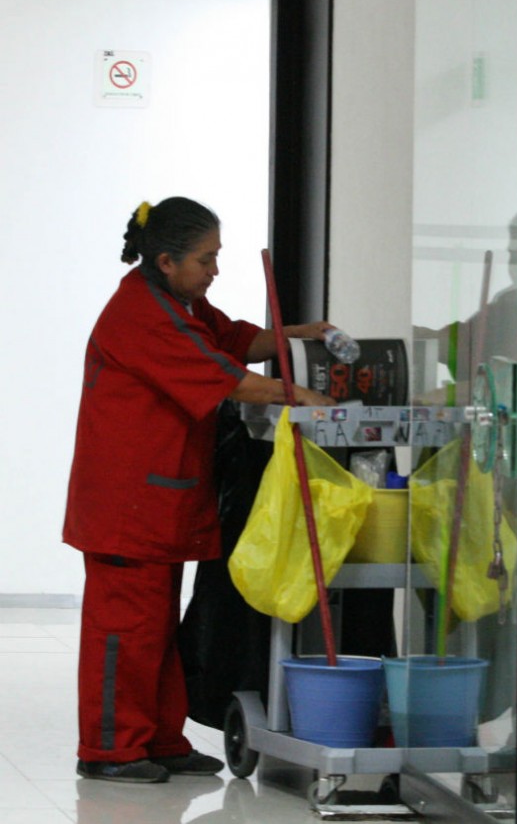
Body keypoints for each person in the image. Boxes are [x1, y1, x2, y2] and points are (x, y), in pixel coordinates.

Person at [62, 196, 336, 784]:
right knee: (124, 633)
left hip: (159, 498)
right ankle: (109, 749)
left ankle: (159, 739)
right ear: (166, 261)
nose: (214, 269)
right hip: (125, 505)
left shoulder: (178, 303)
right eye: (206, 259)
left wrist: (294, 337)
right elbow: (229, 379)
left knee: (157, 629)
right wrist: (301, 397)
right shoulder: (141, 316)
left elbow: (233, 340)